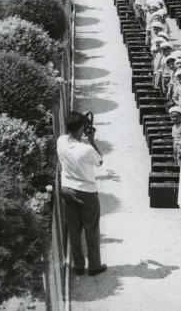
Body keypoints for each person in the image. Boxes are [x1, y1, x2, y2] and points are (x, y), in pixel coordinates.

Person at [57, 111, 106, 276]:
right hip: (86, 192)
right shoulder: (86, 149)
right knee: (91, 229)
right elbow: (99, 161)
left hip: (66, 189)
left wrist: (80, 129)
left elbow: (70, 138)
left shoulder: (61, 141)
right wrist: (91, 139)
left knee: (73, 228)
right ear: (81, 129)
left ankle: (78, 265)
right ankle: (94, 266)